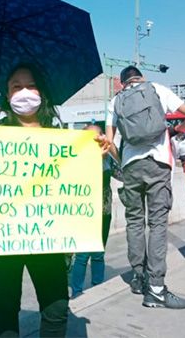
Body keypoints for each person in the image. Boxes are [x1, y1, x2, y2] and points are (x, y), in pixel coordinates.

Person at [0, 63, 112, 337]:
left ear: (42, 91)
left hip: (49, 237)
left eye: (31, 85)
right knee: (6, 306)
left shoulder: (63, 138)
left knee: (56, 307)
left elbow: (77, 180)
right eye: (16, 86)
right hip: (4, 238)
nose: (24, 92)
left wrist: (99, 149)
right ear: (6, 94)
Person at [107, 65, 185, 309]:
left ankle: (138, 278)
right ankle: (156, 288)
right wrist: (174, 131)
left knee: (135, 222)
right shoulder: (157, 90)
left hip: (130, 167)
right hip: (157, 165)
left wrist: (122, 160)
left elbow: (109, 143)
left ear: (122, 82)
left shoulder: (115, 101)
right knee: (157, 224)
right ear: (142, 78)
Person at [69, 123, 115, 298]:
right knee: (81, 256)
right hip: (84, 213)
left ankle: (97, 287)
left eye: (96, 136)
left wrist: (110, 149)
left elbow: (123, 172)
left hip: (104, 212)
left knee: (98, 253)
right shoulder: (77, 158)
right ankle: (77, 291)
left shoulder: (108, 158)